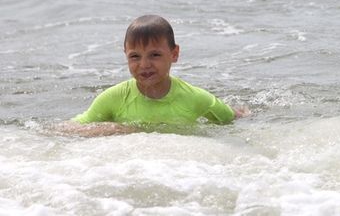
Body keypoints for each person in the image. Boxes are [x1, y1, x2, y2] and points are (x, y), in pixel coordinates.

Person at [69, 15, 247, 134]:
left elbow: (233, 119)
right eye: (135, 56)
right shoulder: (114, 98)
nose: (144, 65)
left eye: (155, 55)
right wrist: (114, 130)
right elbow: (73, 129)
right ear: (125, 55)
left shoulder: (195, 99)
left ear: (174, 54)